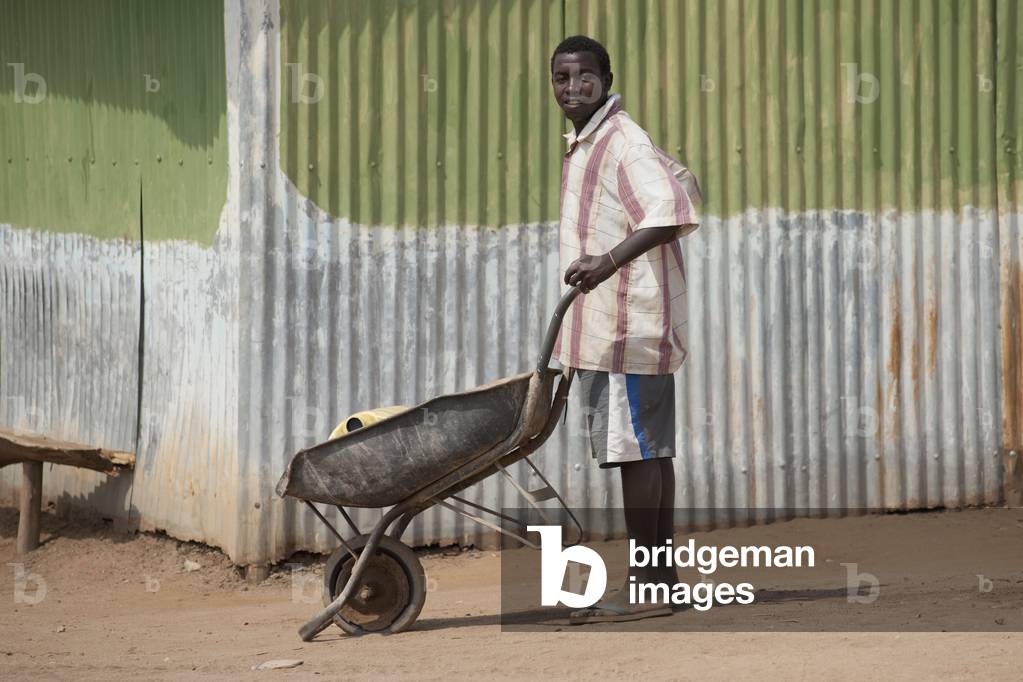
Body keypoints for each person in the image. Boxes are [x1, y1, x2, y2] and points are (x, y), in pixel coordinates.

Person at [549, 35, 701, 623]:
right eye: (562, 77)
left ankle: (649, 590)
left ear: (607, 78)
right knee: (650, 453)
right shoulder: (592, 141)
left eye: (584, 75)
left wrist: (605, 262)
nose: (572, 87)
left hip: (626, 326)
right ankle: (663, 585)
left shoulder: (622, 142)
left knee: (637, 452)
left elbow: (669, 212)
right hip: (622, 325)